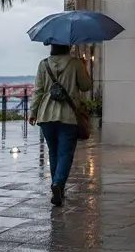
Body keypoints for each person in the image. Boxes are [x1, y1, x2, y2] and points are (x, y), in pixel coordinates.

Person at [29, 44, 92, 207]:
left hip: (46, 115)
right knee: (65, 153)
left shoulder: (44, 64)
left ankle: (57, 186)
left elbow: (38, 91)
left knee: (53, 151)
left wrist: (33, 112)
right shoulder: (76, 63)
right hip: (68, 115)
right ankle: (58, 183)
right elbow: (86, 86)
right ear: (68, 46)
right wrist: (84, 68)